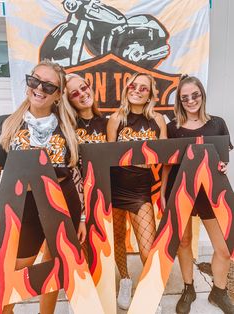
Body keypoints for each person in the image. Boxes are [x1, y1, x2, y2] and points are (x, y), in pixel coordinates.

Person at [0, 59, 86, 314]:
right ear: (27, 83)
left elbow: (75, 172)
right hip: (22, 210)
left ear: (58, 95)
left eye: (49, 86)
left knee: (53, 265)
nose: (39, 88)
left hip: (61, 206)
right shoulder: (6, 124)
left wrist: (80, 216)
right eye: (35, 80)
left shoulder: (69, 128)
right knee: (15, 268)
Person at [160, 75, 234, 314]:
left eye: (195, 95)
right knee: (183, 242)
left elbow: (223, 159)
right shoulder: (173, 128)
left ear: (202, 95)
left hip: (210, 192)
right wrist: (162, 194)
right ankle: (188, 287)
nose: (191, 100)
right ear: (179, 101)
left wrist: (224, 165)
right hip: (180, 190)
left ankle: (218, 291)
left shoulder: (218, 123)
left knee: (223, 248)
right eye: (185, 97)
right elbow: (167, 165)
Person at [107, 72, 167, 310]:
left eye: (144, 88)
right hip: (116, 186)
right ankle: (125, 280)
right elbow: (109, 157)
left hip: (140, 189)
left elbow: (166, 156)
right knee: (119, 238)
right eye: (134, 85)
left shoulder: (158, 120)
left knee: (147, 247)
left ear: (151, 94)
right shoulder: (116, 119)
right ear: (127, 88)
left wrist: (151, 161)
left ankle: (151, 293)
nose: (137, 90)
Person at [65, 73, 107, 144]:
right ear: (69, 101)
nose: (82, 94)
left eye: (83, 88)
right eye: (75, 94)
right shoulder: (66, 127)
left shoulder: (107, 123)